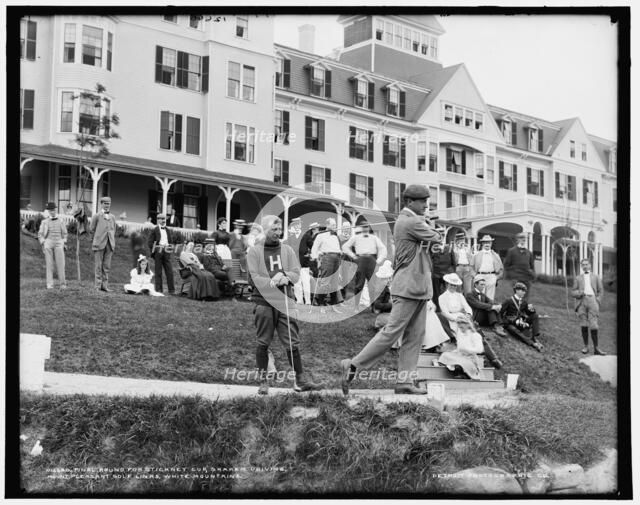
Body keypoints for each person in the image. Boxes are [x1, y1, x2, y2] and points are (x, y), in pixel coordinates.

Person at [340, 184, 442, 395]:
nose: (426, 205)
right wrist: (432, 226)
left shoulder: (411, 221)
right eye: (422, 201)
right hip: (409, 286)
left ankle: (404, 381)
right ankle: (353, 365)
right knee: (392, 332)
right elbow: (438, 237)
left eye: (427, 200)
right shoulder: (411, 220)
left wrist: (430, 227)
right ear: (409, 202)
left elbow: (431, 242)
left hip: (418, 286)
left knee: (415, 336)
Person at [247, 215, 323, 395]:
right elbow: (253, 277)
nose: (278, 232)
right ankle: (263, 381)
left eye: (280, 229)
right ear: (265, 230)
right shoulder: (255, 251)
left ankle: (300, 380)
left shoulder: (287, 250)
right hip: (263, 302)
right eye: (274, 229)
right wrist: (272, 281)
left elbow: (296, 273)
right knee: (263, 341)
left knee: (292, 341)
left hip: (285, 302)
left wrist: (286, 277)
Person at [439, 273, 503, 368]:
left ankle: (493, 358)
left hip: (463, 317)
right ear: (447, 284)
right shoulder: (442, 297)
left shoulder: (460, 295)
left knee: (477, 333)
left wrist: (468, 315)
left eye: (455, 285)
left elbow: (467, 307)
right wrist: (456, 318)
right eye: (451, 284)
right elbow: (444, 312)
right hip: (452, 319)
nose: (453, 287)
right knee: (463, 336)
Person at [341, 223, 388, 309]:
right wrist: (354, 256)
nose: (365, 228)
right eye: (364, 227)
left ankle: (373, 307)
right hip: (361, 260)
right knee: (359, 285)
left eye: (367, 227)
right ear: (362, 228)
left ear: (368, 228)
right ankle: (356, 306)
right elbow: (345, 247)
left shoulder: (374, 238)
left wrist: (379, 260)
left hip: (371, 260)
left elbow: (383, 249)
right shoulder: (356, 237)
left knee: (372, 285)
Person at [572, 258, 605, 355]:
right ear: (581, 267)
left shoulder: (595, 277)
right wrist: (579, 293)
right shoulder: (578, 278)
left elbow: (601, 290)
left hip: (593, 300)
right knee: (583, 324)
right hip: (582, 301)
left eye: (586, 264)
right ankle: (586, 347)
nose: (585, 266)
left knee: (594, 324)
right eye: (583, 265)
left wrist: (597, 300)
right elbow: (573, 292)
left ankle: (596, 348)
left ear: (590, 265)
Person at [500, 282, 544, 352]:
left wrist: (532, 310)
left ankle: (535, 334)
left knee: (535, 316)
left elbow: (529, 313)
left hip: (520, 322)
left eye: (525, 291)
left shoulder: (524, 302)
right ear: (517, 290)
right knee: (515, 331)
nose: (524, 292)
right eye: (522, 290)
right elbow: (501, 314)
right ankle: (533, 344)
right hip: (511, 322)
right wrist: (505, 323)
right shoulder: (508, 301)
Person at [437, 315, 485, 380]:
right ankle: (456, 369)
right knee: (445, 355)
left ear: (468, 324)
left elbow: (480, 349)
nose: (460, 327)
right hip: (460, 355)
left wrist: (467, 349)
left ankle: (464, 373)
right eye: (459, 326)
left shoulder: (475, 335)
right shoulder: (460, 335)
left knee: (461, 363)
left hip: (470, 358)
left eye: (461, 325)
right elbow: (459, 348)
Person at [311, 217, 344, 311]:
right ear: (327, 225)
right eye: (333, 225)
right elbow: (314, 248)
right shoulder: (320, 235)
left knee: (334, 284)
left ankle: (333, 306)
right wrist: (316, 259)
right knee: (325, 283)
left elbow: (337, 249)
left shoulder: (335, 236)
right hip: (327, 259)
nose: (335, 226)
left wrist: (339, 253)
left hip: (337, 258)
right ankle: (322, 306)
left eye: (335, 225)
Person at [38, 202, 68, 290]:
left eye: (53, 210)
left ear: (56, 210)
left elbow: (65, 233)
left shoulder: (61, 220)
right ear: (48, 211)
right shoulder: (44, 222)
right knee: (49, 264)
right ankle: (50, 285)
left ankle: (62, 284)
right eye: (50, 210)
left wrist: (63, 241)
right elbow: (40, 234)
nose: (52, 212)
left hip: (59, 242)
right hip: (49, 242)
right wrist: (44, 242)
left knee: (61, 264)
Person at [90, 196, 117, 292]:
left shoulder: (113, 217)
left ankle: (104, 286)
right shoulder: (96, 216)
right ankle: (97, 285)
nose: (107, 205)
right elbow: (92, 230)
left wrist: (112, 241)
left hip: (109, 244)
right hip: (99, 244)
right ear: (101, 204)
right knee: (98, 265)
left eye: (108, 204)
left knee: (106, 266)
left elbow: (114, 230)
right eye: (105, 203)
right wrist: (95, 241)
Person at [148, 214, 175, 295]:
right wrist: (155, 249)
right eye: (161, 219)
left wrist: (169, 249)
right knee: (158, 271)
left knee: (169, 271)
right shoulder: (155, 230)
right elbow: (150, 242)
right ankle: (159, 289)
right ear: (158, 220)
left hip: (166, 250)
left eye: (164, 219)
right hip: (158, 250)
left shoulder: (168, 230)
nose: (163, 220)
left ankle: (171, 290)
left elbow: (170, 241)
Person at [471, 234, 503, 301]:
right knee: (480, 296)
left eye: (488, 242)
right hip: (480, 276)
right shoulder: (477, 255)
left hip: (491, 276)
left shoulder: (495, 255)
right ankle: (480, 310)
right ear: (482, 243)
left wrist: (496, 277)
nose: (487, 244)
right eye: (485, 242)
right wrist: (475, 276)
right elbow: (471, 266)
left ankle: (489, 310)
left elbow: (501, 268)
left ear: (491, 243)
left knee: (490, 297)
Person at [284, 217, 306, 304]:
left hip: (301, 262)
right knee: (292, 281)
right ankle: (293, 299)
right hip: (292, 262)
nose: (297, 226)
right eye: (295, 225)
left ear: (300, 225)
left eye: (299, 224)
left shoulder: (304, 236)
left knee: (300, 282)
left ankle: (300, 300)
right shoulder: (290, 238)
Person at [298, 222, 321, 305]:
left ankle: (314, 299)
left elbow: (315, 248)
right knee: (305, 281)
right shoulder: (308, 236)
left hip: (312, 262)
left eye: (317, 228)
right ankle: (309, 299)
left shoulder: (316, 236)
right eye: (316, 228)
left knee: (312, 280)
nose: (317, 230)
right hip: (307, 262)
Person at [430, 242, 456, 310]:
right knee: (436, 293)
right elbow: (430, 259)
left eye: (443, 235)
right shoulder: (432, 247)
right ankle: (438, 308)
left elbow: (453, 261)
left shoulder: (449, 248)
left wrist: (452, 272)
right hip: (436, 274)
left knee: (448, 291)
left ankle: (449, 307)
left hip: (447, 273)